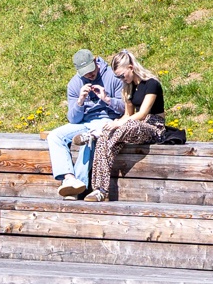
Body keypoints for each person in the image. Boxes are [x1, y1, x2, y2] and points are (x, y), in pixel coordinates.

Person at [82, 50, 166, 203]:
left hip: (154, 126)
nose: (121, 79)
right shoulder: (128, 87)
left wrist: (120, 123)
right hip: (133, 126)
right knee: (106, 135)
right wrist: (113, 125)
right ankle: (99, 189)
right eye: (118, 77)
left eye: (122, 75)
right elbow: (128, 114)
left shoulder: (152, 84)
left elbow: (142, 114)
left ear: (131, 68)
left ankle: (96, 137)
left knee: (127, 125)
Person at [43, 48, 125, 199]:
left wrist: (107, 99)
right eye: (85, 73)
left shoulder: (113, 77)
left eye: (91, 70)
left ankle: (77, 189)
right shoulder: (74, 84)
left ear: (95, 61)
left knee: (89, 138)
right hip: (84, 123)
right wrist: (80, 101)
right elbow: (73, 119)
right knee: (55, 136)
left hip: (107, 120)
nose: (90, 75)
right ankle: (69, 179)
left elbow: (125, 109)